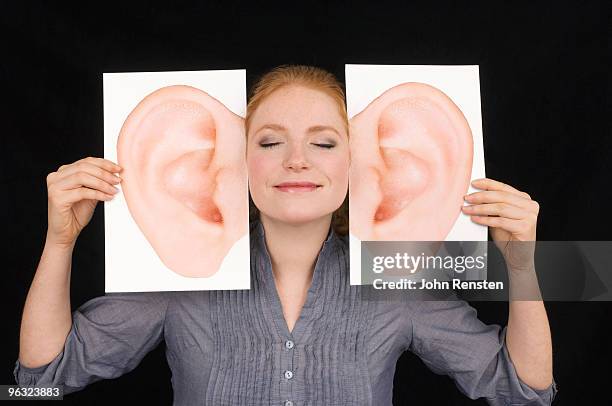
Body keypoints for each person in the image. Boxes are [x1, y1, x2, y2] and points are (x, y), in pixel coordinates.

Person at [14, 65, 557, 405]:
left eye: (323, 143)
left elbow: (523, 390)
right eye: (271, 142)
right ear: (235, 161)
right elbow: (37, 381)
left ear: (360, 163)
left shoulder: (397, 280)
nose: (297, 160)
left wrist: (525, 266)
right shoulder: (179, 282)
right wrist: (58, 240)